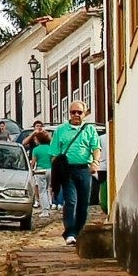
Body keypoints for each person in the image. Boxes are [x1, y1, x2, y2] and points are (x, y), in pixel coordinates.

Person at [50, 101, 102, 240]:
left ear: (84, 114)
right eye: (73, 112)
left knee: (84, 203)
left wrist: (95, 162)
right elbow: (54, 153)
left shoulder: (89, 129)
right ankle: (70, 232)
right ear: (69, 113)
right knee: (71, 201)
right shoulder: (60, 130)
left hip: (84, 169)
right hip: (67, 170)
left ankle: (79, 230)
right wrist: (56, 172)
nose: (76, 115)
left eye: (79, 112)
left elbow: (96, 148)